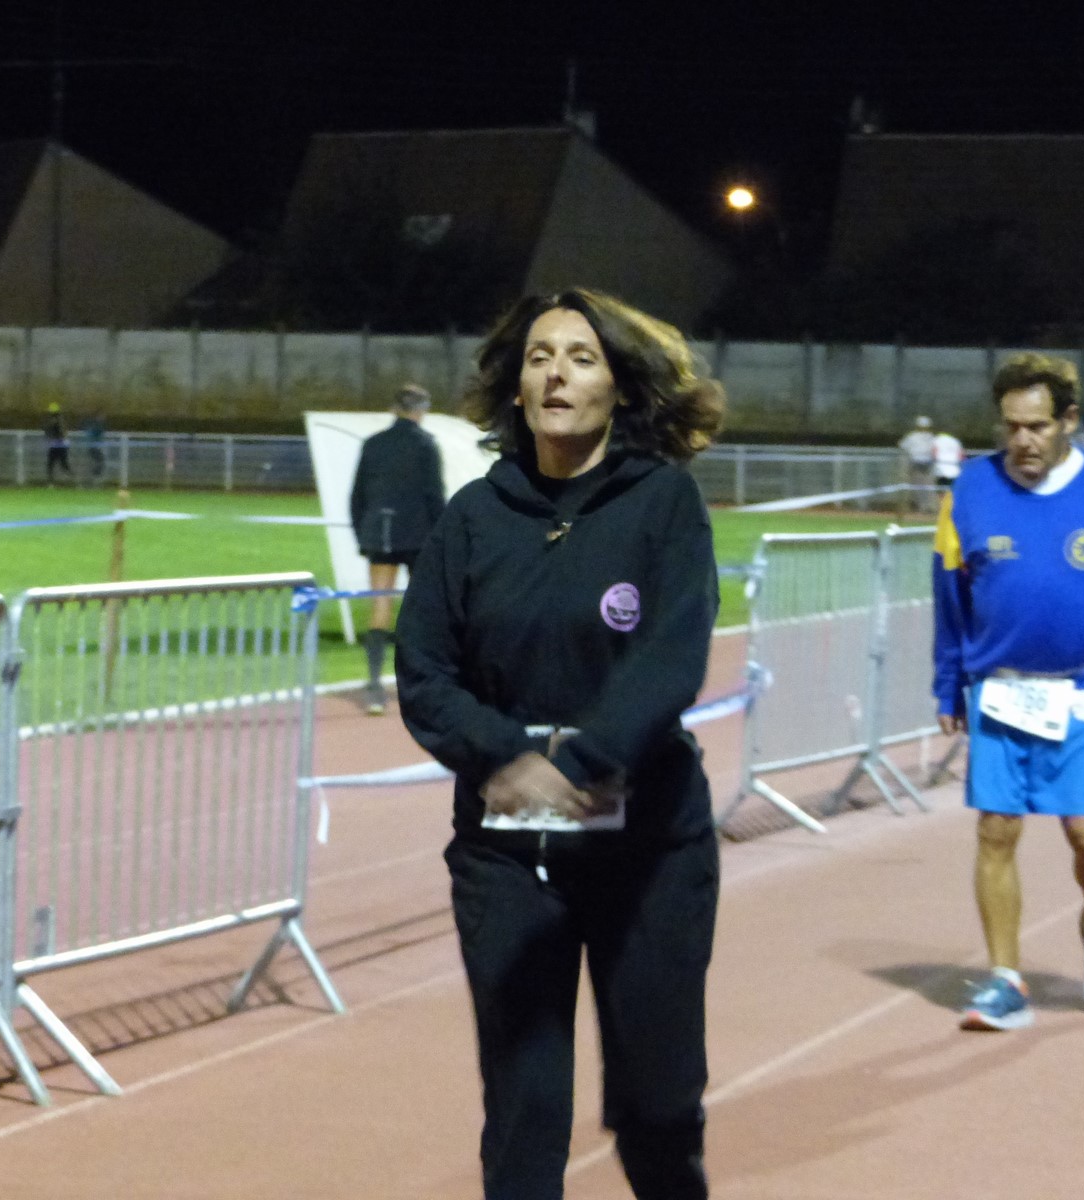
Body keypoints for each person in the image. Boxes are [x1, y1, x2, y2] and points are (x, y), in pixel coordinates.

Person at [396, 288, 725, 1199]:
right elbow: (424, 670)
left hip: (648, 851)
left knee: (657, 1107)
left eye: (582, 358)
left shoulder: (664, 504)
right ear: (515, 385)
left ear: (621, 386)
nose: (556, 375)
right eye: (539, 357)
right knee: (525, 1111)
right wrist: (505, 756)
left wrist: (578, 766)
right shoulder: (473, 516)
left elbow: (670, 658)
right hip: (508, 857)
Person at [932, 351, 1084, 1032]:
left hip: (1079, 687)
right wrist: (947, 684)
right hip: (998, 689)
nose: (1023, 441)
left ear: (1068, 420)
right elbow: (950, 598)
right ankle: (1005, 980)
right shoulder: (970, 491)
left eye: (1036, 426)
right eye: (1011, 426)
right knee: (996, 829)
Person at [348, 382, 445, 715]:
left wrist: (363, 535)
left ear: (394, 409)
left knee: (380, 607)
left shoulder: (373, 444)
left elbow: (357, 496)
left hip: (379, 534)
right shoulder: (426, 444)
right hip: (418, 537)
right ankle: (419, 684)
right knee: (421, 611)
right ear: (421, 410)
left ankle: (375, 688)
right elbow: (435, 496)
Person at [898, 414, 936, 514]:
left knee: (919, 486)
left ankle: (922, 507)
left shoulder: (914, 436)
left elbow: (903, 446)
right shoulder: (930, 437)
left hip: (919, 463)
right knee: (924, 486)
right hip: (923, 463)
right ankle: (923, 506)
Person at [43, 401, 73, 484]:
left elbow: (51, 432)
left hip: (57, 445)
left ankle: (50, 482)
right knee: (63, 464)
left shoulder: (55, 421)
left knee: (51, 464)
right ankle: (73, 479)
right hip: (61, 445)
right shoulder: (60, 420)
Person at [82, 412, 107, 486]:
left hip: (92, 447)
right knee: (100, 461)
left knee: (99, 461)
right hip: (93, 447)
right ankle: (95, 476)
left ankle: (94, 476)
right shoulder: (97, 426)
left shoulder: (94, 426)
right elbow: (97, 434)